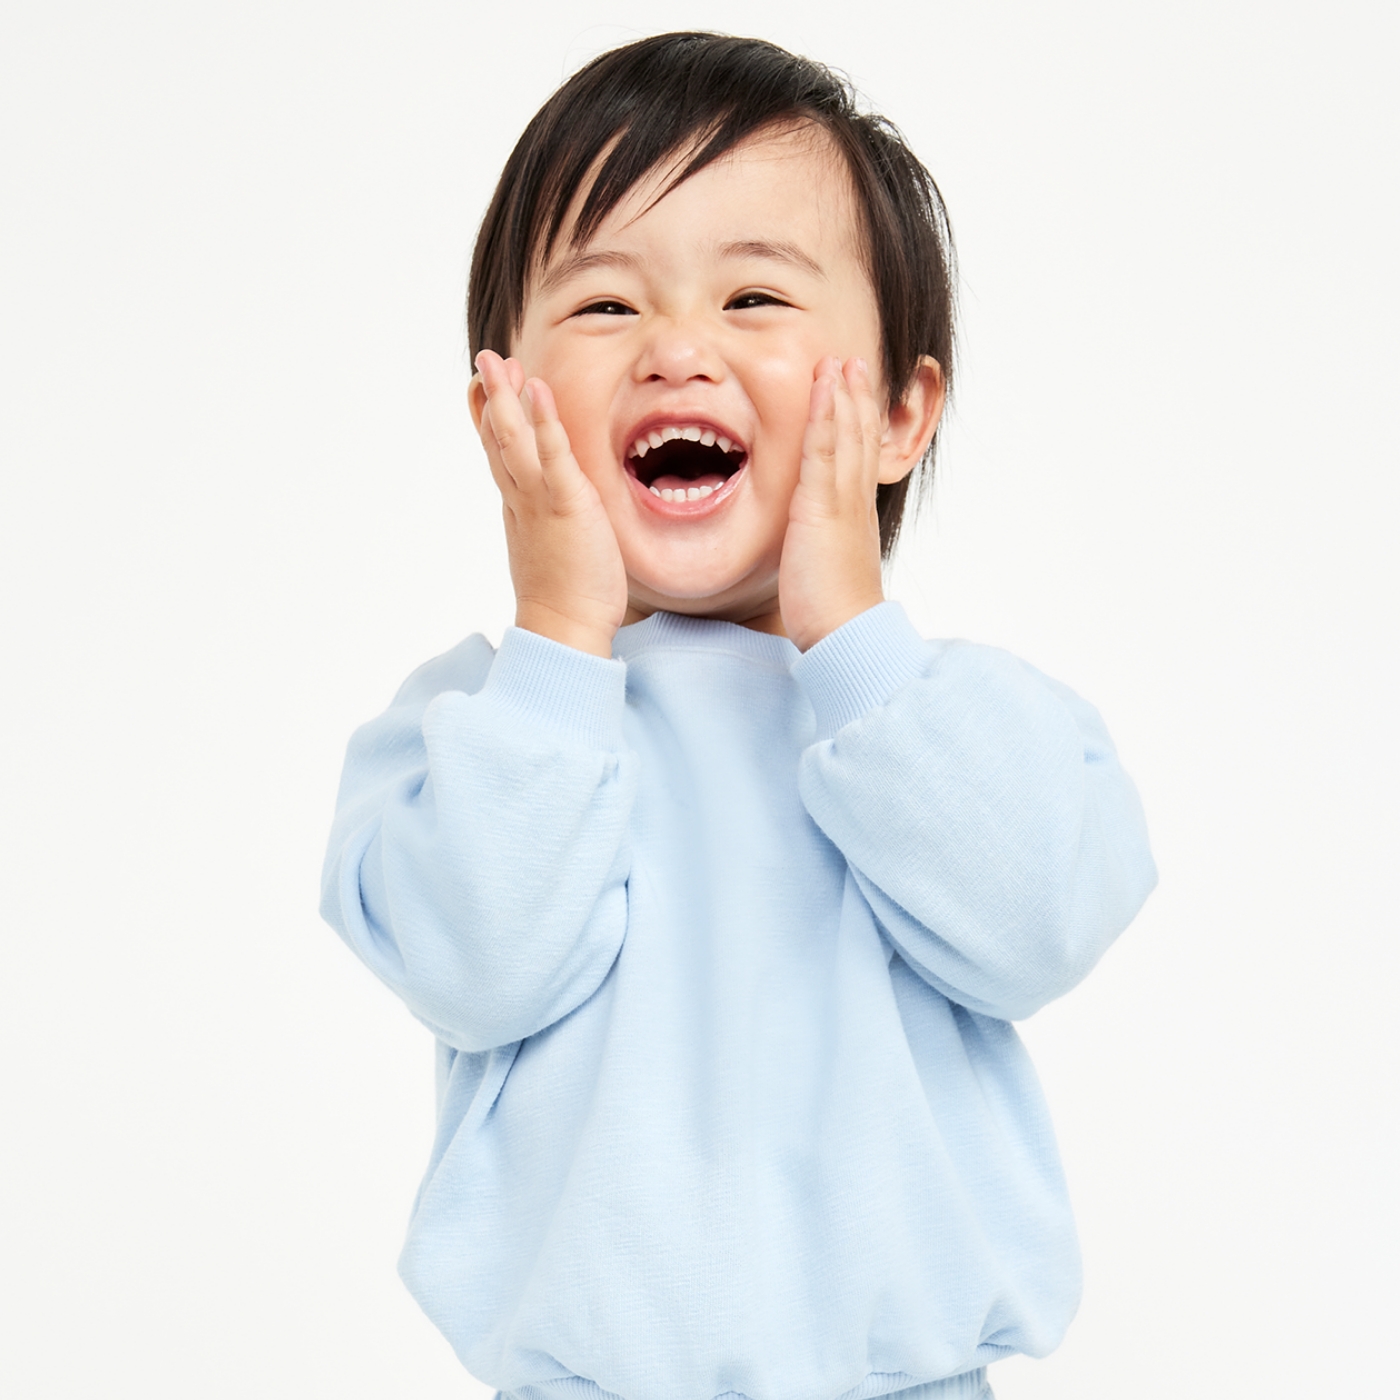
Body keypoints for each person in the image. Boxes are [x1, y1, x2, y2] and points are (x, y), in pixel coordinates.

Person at [321, 31, 1156, 1400]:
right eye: (603, 310)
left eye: (756, 298)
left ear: (899, 413)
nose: (677, 353)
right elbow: (479, 965)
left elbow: (1036, 923)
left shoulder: (956, 715)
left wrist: (854, 636)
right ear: (500, 406)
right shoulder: (472, 731)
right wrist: (557, 643)